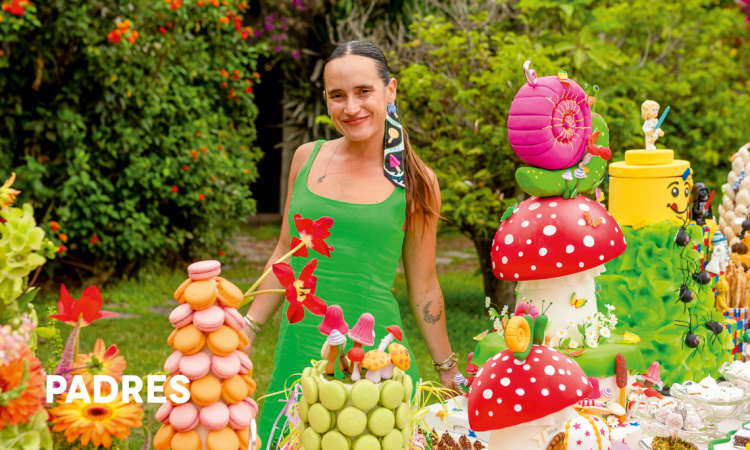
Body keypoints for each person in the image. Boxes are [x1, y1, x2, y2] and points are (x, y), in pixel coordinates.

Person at [242, 40, 460, 447]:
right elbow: (285, 252)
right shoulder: (306, 158)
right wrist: (248, 328)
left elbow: (425, 285)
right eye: (337, 96)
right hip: (300, 346)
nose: (351, 107)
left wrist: (447, 367)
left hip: (375, 360)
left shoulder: (416, 181)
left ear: (390, 91)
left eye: (363, 92)